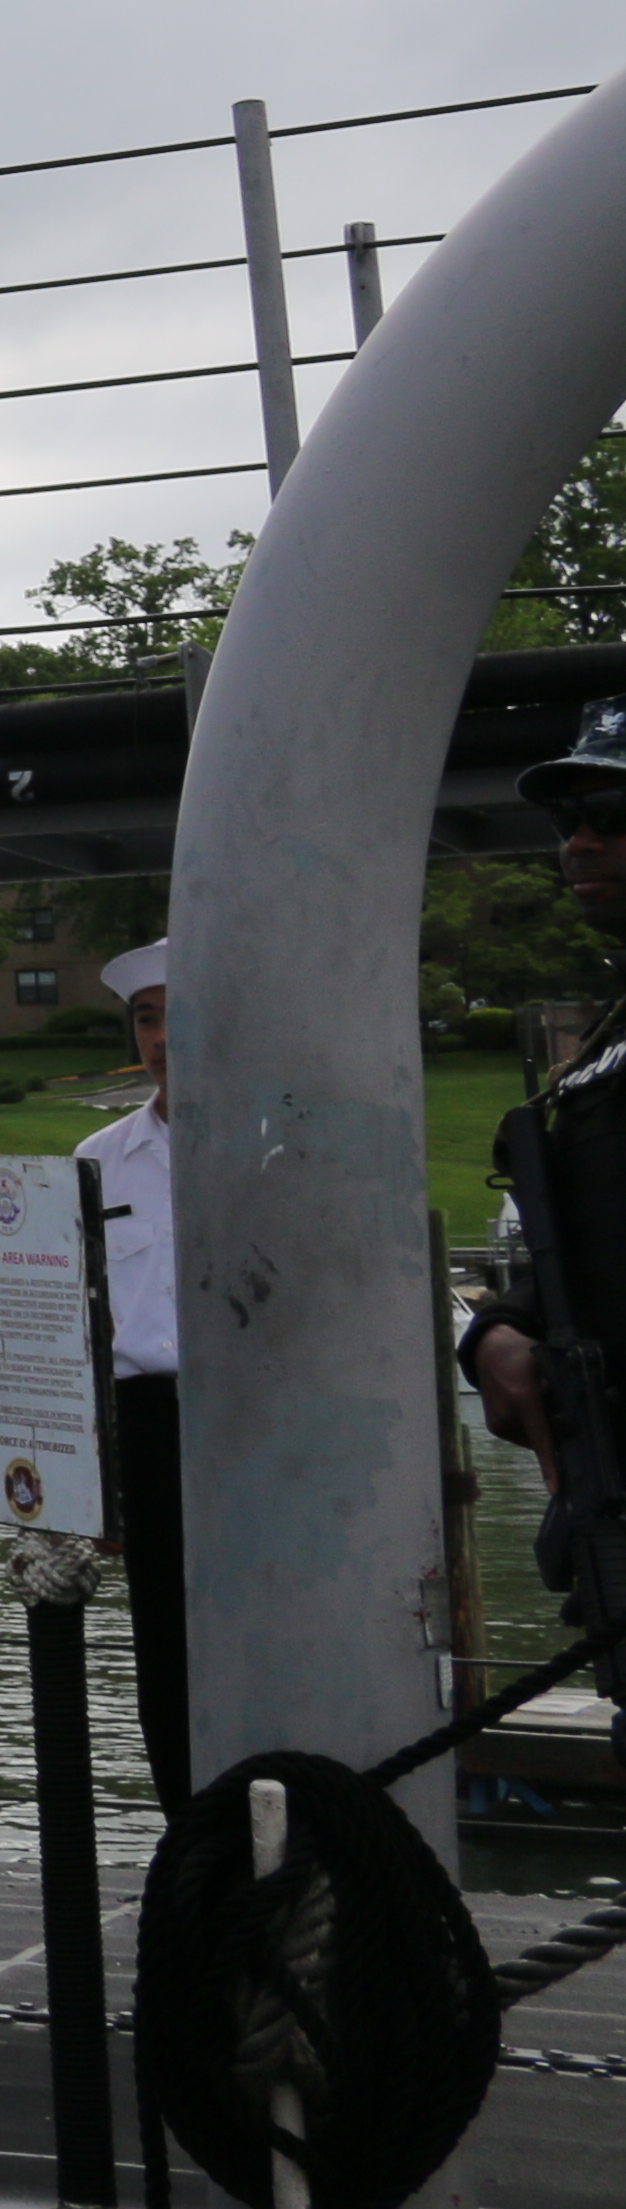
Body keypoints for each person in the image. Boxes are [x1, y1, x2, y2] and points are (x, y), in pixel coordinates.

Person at [464, 697, 626, 1646]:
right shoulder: (608, 1044)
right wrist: (499, 1330)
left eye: (615, 818)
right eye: (570, 820)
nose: (582, 843)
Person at [79, 939, 188, 1802]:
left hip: (260, 1420)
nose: (159, 1036)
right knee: (164, 1644)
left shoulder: (284, 1143)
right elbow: (81, 1326)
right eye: (147, 1018)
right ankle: (192, 1834)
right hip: (147, 1422)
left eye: (176, 1014)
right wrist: (96, 1471)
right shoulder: (98, 1159)